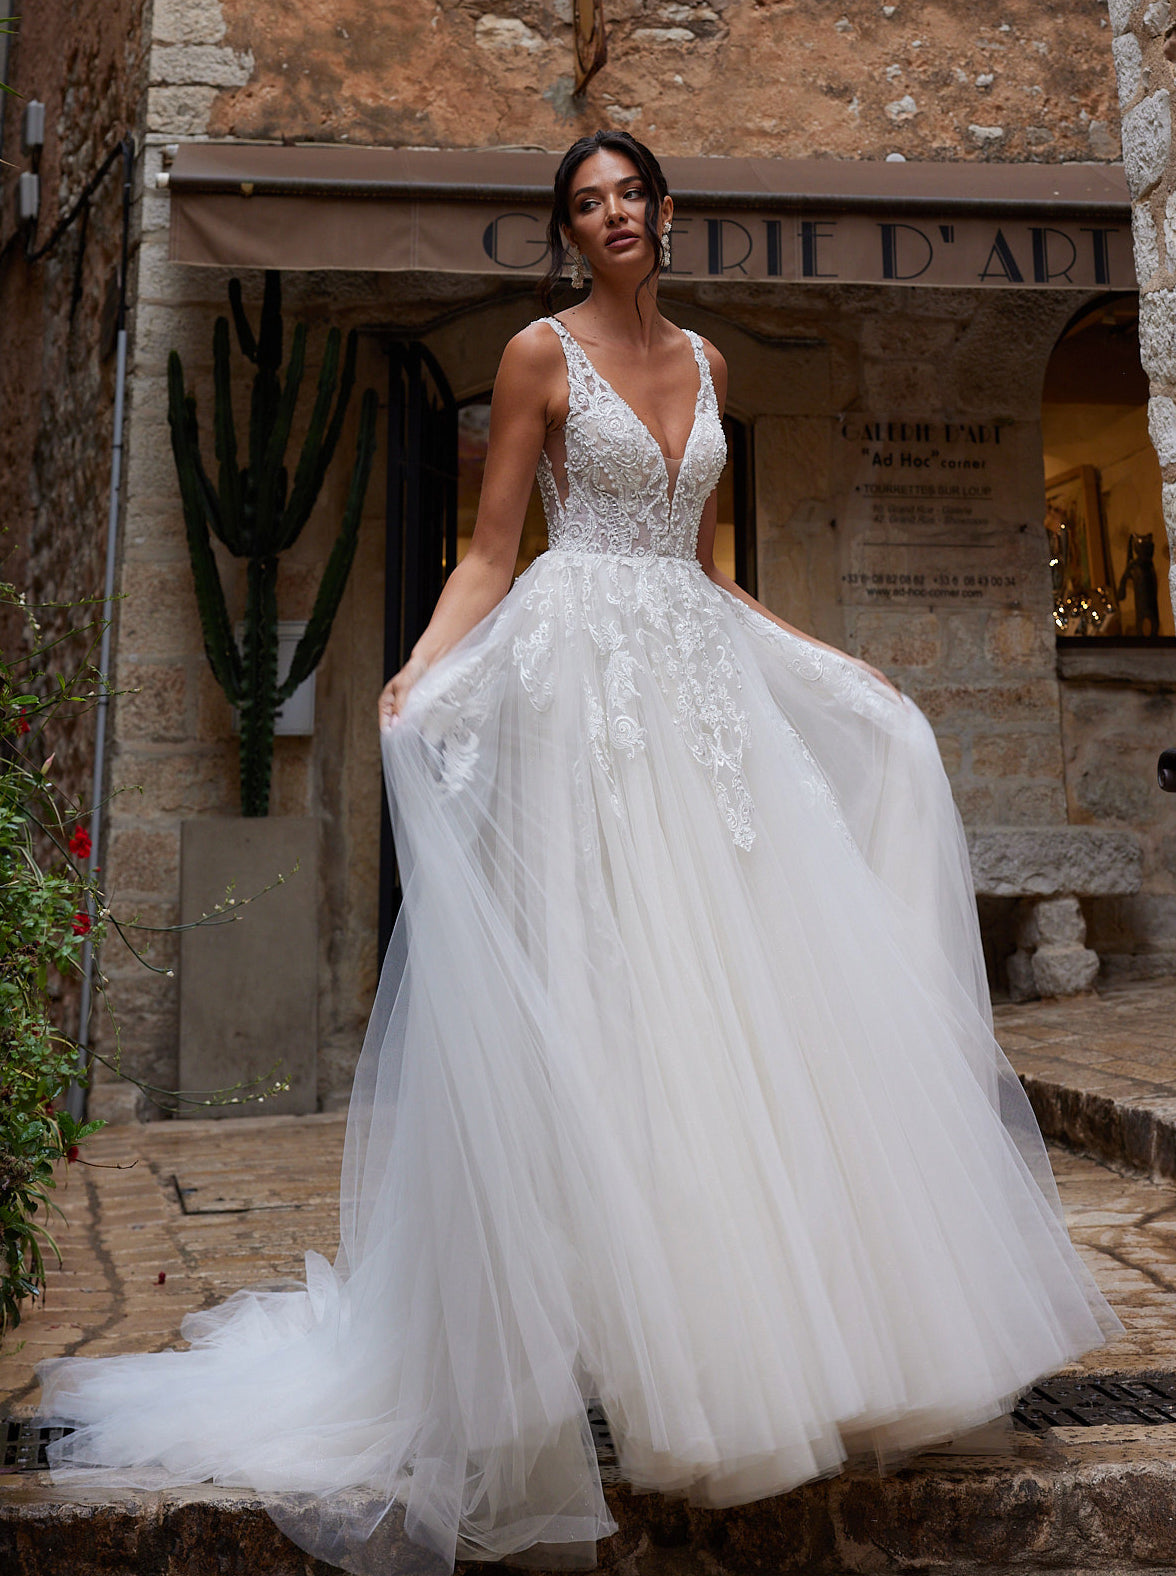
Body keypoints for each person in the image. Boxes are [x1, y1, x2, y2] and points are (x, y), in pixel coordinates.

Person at [38, 130, 1119, 1576]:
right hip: (591, 702)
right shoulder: (539, 358)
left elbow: (715, 571)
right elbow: (494, 552)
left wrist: (845, 669)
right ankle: (625, 1348)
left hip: (702, 699)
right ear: (575, 230)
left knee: (735, 1015)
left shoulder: (720, 366)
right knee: (620, 1004)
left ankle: (750, 1335)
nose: (612, 216)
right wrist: (419, 671)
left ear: (670, 214)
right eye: (587, 204)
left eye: (630, 196)